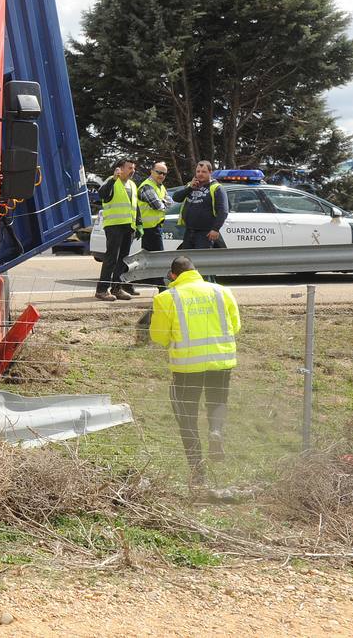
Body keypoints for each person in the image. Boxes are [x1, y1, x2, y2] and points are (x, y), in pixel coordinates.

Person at [149, 255, 240, 487]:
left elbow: (158, 336)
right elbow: (236, 326)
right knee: (217, 401)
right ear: (196, 271)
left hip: (187, 366)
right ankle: (216, 431)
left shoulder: (165, 298)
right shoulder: (222, 292)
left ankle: (197, 473)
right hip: (221, 360)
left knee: (186, 416)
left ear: (172, 276)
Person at [95, 158, 138, 301]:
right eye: (129, 168)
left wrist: (138, 224)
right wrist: (113, 179)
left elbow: (134, 206)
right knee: (111, 258)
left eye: (133, 168)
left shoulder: (132, 185)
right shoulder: (111, 181)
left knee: (123, 259)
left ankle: (117, 288)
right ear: (120, 168)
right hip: (114, 225)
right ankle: (102, 290)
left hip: (128, 226)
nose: (132, 171)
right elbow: (102, 195)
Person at [172, 160, 229, 250]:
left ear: (210, 172)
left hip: (205, 233)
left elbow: (223, 211)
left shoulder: (216, 188)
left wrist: (215, 229)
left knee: (201, 261)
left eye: (204, 172)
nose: (200, 174)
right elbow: (176, 198)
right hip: (189, 231)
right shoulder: (190, 186)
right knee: (187, 260)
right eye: (198, 171)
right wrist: (190, 188)